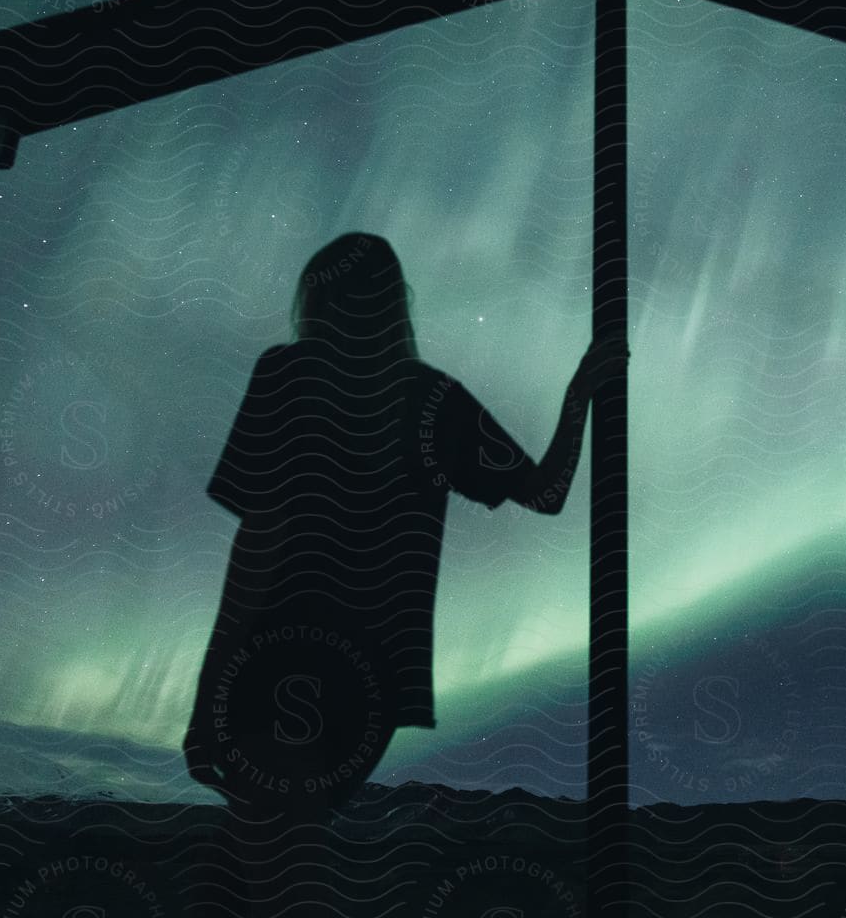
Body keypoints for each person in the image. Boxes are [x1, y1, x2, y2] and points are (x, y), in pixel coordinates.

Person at [183, 230, 626, 835]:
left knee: (259, 849)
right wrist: (579, 397)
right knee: (289, 847)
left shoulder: (288, 373)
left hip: (273, 652)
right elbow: (546, 493)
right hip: (374, 674)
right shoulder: (431, 400)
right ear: (395, 301)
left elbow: (260, 540)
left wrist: (208, 694)